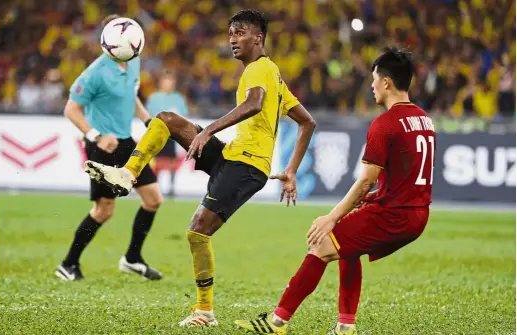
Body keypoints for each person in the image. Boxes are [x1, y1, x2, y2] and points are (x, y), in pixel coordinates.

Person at [84, 9, 316, 327]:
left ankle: (204, 312)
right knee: (166, 119)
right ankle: (128, 173)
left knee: (197, 232)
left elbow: (255, 104)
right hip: (232, 157)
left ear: (258, 37)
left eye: (240, 32)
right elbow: (307, 121)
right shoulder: (271, 73)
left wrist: (209, 130)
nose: (232, 39)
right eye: (230, 32)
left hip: (247, 166)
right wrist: (290, 170)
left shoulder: (261, 69)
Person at [235, 47, 436, 335]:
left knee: (321, 244)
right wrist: (377, 197)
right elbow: (408, 171)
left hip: (395, 215)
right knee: (347, 247)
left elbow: (366, 179)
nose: (372, 85)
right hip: (417, 212)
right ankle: (345, 325)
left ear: (387, 83)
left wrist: (331, 216)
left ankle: (276, 322)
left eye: (375, 79)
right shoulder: (425, 120)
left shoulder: (385, 124)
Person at [55, 14, 163, 281]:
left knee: (153, 200)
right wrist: (95, 135)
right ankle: (68, 264)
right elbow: (71, 109)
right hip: (103, 147)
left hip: (126, 141)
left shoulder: (133, 62)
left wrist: (148, 120)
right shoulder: (94, 74)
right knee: (104, 210)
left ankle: (132, 259)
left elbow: (131, 95)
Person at [146, 70, 189, 196]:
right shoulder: (154, 98)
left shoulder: (178, 98)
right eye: (166, 81)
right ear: (161, 83)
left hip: (172, 134)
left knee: (172, 161)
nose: (168, 84)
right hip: (158, 133)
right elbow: (150, 116)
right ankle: (156, 185)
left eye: (170, 81)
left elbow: (184, 116)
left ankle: (171, 186)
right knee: (157, 161)